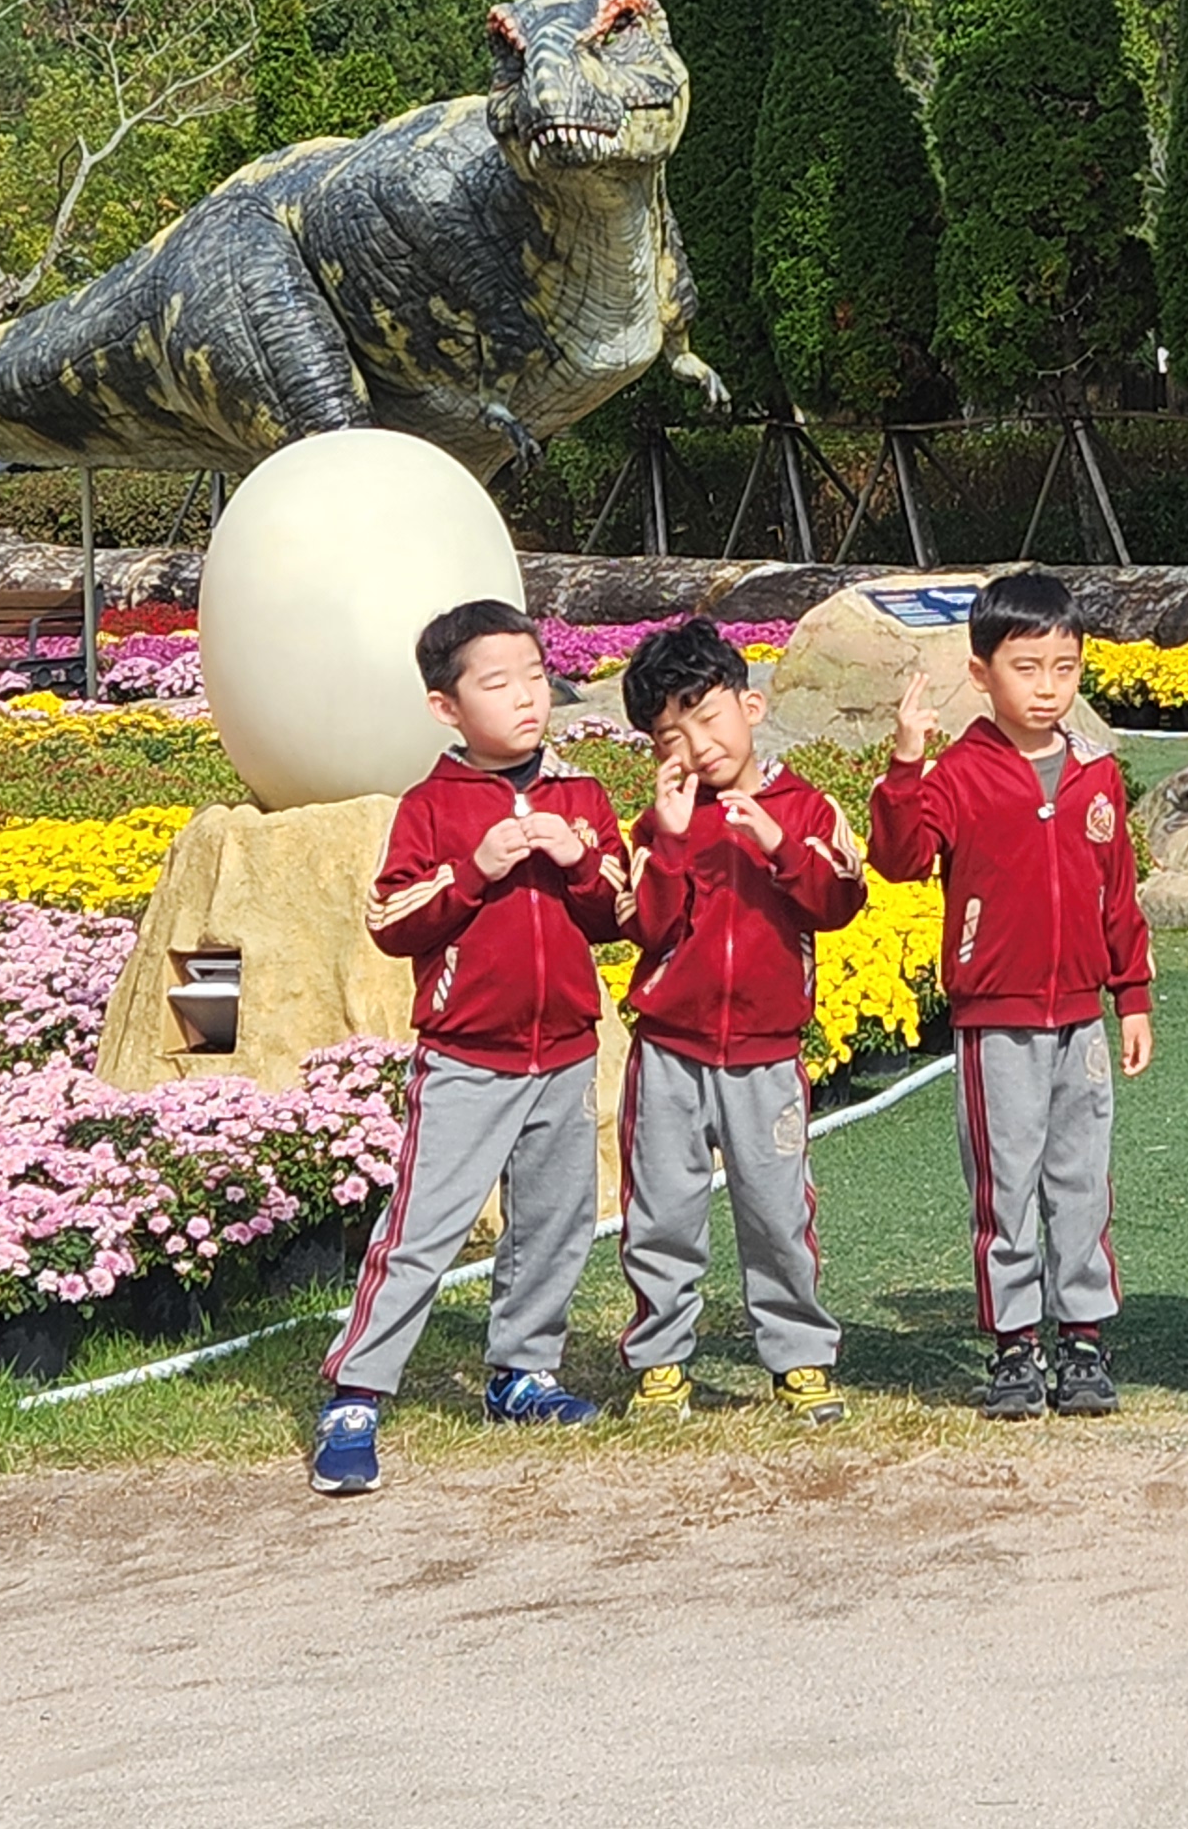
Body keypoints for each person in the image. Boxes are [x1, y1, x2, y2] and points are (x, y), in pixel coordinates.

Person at [310, 600, 633, 1496]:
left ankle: (521, 1374)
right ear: (445, 708)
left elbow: (623, 913)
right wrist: (473, 868)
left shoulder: (582, 794)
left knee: (555, 1224)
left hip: (566, 1048)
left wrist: (577, 857)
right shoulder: (431, 806)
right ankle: (356, 1391)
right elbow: (390, 919)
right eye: (499, 684)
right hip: (466, 1056)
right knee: (421, 1232)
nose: (528, 699)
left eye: (536, 677)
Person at [868, 568, 1153, 1421]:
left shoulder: (1096, 775)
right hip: (997, 1019)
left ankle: (1084, 1342)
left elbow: (1119, 895)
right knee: (1006, 1183)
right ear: (980, 672)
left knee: (1082, 1180)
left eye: (1064, 668)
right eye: (1027, 668)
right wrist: (906, 764)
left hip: (1083, 1018)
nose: (1047, 688)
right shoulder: (959, 774)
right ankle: (1015, 1346)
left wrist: (1131, 995)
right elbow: (900, 858)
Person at [615, 615, 867, 1423]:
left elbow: (838, 904)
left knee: (777, 1213)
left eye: (707, 715)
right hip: (669, 1051)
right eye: (669, 734)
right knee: (661, 1213)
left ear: (750, 709)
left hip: (766, 1054)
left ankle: (797, 1357)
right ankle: (659, 1360)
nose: (695, 744)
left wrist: (779, 843)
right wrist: (673, 841)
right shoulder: (657, 824)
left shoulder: (806, 806)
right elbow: (644, 925)